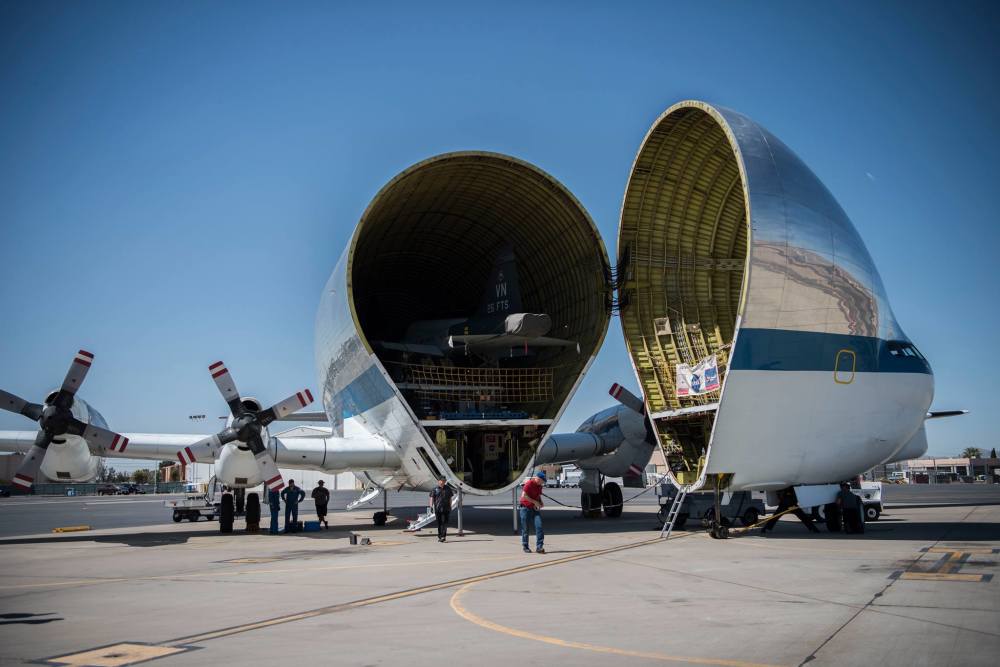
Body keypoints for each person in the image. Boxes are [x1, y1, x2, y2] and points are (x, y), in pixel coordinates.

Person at [519, 471, 546, 554]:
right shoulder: (529, 483)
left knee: (539, 526)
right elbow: (524, 496)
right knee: (525, 529)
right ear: (537, 478)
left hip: (534, 509)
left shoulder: (539, 486)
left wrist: (540, 502)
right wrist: (535, 502)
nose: (542, 483)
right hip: (525, 508)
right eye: (542, 481)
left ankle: (539, 547)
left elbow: (538, 495)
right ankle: (525, 546)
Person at [429, 476, 454, 542]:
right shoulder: (434, 489)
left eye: (444, 481)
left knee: (445, 523)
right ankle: (440, 536)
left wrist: (450, 506)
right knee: (439, 523)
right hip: (438, 508)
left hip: (446, 508)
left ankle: (443, 536)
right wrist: (431, 506)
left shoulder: (448, 489)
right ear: (439, 481)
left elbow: (450, 498)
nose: (443, 482)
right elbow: (431, 498)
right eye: (442, 480)